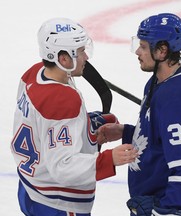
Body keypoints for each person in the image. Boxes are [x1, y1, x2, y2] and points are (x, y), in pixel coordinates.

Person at [10, 17, 138, 216]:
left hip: (31, 187)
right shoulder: (62, 100)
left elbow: (44, 126)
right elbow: (63, 167)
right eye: (80, 52)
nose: (86, 56)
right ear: (63, 59)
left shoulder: (34, 74)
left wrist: (88, 128)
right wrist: (109, 159)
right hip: (57, 202)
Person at [96, 13, 181, 215]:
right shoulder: (161, 83)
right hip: (162, 202)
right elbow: (167, 139)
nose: (137, 51)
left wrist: (164, 211)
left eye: (144, 46)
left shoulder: (179, 96)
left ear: (162, 50)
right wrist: (127, 132)